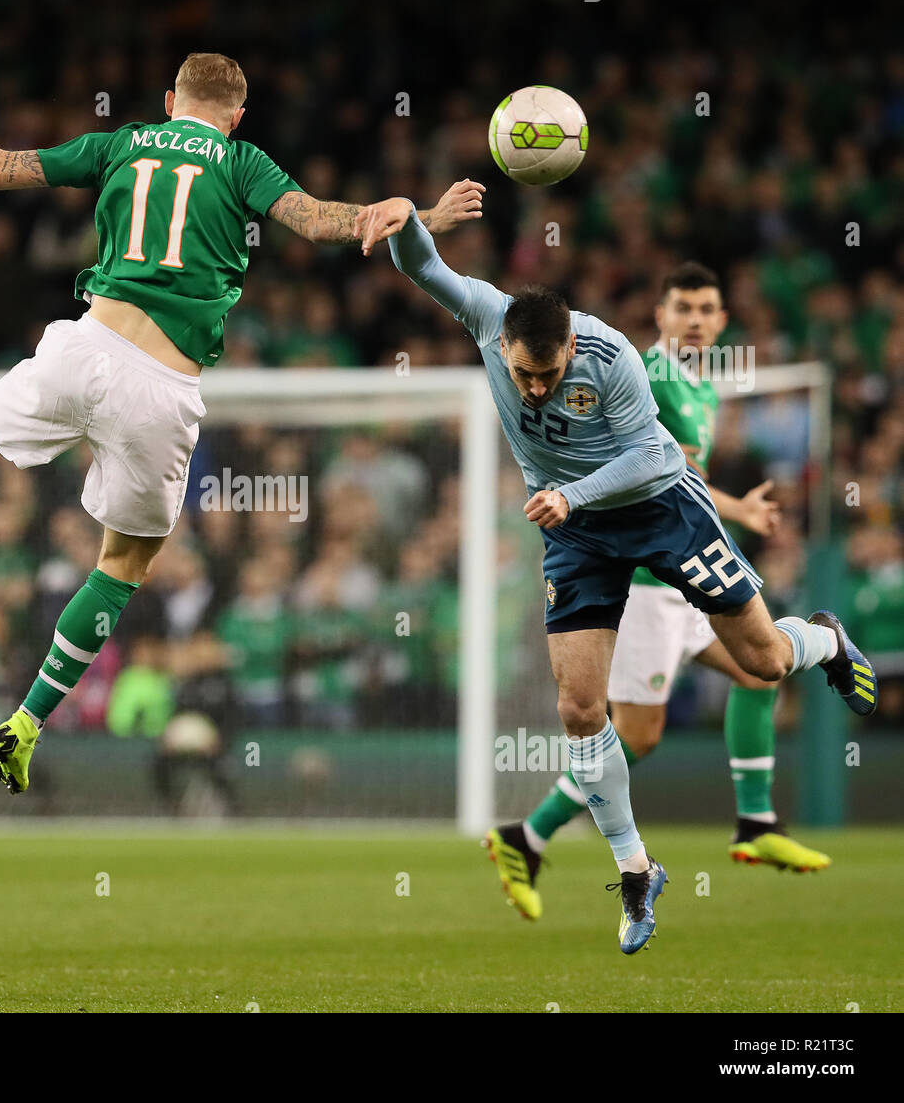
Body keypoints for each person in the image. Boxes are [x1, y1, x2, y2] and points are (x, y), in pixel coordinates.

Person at [0, 53, 479, 797]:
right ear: (236, 116)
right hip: (164, 386)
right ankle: (26, 721)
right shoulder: (244, 160)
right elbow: (324, 223)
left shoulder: (120, 142)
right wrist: (422, 217)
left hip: (86, 344)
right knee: (122, 565)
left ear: (170, 99)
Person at [357, 196, 877, 953]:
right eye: (523, 375)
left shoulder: (612, 358)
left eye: (548, 374)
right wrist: (409, 216)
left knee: (762, 660)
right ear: (503, 343)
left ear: (570, 346)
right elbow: (424, 266)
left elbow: (645, 459)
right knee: (578, 708)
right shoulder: (486, 316)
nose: (534, 389)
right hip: (576, 534)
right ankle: (637, 870)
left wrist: (569, 493)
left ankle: (825, 640)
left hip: (662, 506)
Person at [493, 262, 832, 923]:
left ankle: (756, 820)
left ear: (723, 320)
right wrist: (736, 509)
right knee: (638, 735)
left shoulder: (703, 386)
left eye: (708, 308)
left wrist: (732, 510)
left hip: (677, 578)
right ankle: (528, 835)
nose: (697, 320)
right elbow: (663, 466)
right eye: (684, 308)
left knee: (759, 671)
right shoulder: (654, 374)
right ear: (661, 315)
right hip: (649, 580)